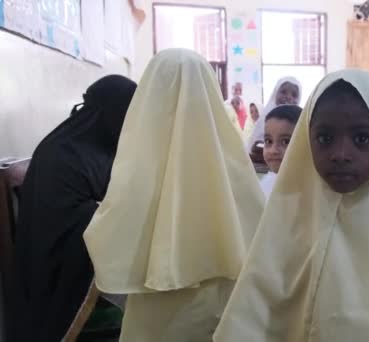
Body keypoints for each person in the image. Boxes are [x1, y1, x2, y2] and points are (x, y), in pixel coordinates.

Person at [214, 70, 369, 342]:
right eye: (324, 138)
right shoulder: (288, 217)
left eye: (361, 139)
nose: (341, 155)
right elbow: (257, 311)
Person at [83, 49, 265, 341]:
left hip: (157, 310)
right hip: (227, 309)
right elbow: (259, 230)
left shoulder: (139, 163)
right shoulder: (233, 162)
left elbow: (110, 232)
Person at [10, 75, 137, 342]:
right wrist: (114, 213)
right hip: (59, 278)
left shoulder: (102, 149)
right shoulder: (60, 154)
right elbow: (62, 225)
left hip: (95, 264)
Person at [247, 77, 302, 154]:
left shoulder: (300, 122)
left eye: (294, 95)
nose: (289, 97)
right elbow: (254, 147)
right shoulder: (264, 119)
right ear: (275, 94)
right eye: (283, 92)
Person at [260, 104, 302, 199]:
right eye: (268, 141)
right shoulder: (267, 184)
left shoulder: (312, 191)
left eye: (286, 141)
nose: (273, 150)